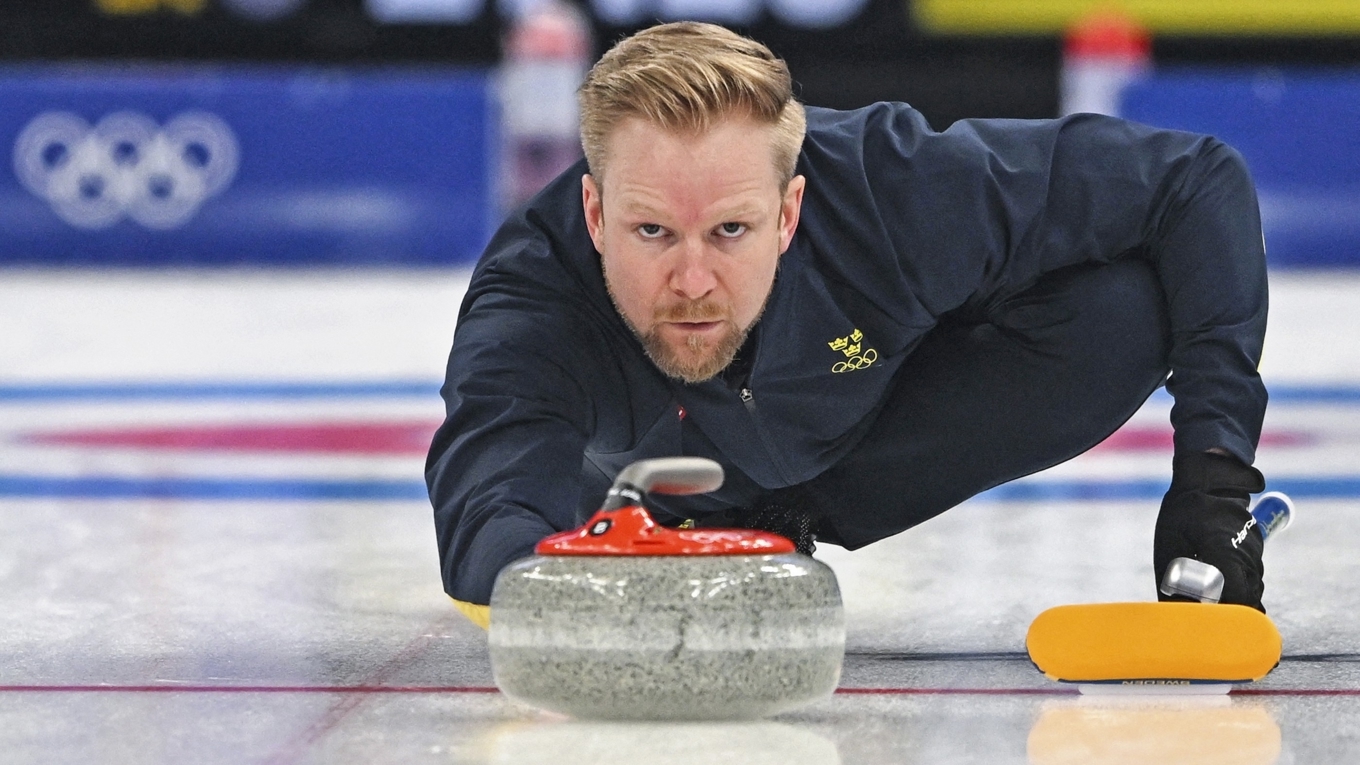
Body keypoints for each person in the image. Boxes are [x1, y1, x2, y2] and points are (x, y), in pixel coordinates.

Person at [426, 22, 1270, 629]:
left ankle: (776, 519)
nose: (692, 281)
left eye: (730, 229)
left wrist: (1214, 479)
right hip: (661, 505)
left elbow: (1194, 181)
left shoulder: (889, 190)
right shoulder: (534, 298)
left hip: (866, 450)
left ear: (790, 211)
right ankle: (708, 527)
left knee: (1125, 309)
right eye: (652, 231)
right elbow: (491, 508)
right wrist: (577, 588)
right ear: (594, 213)